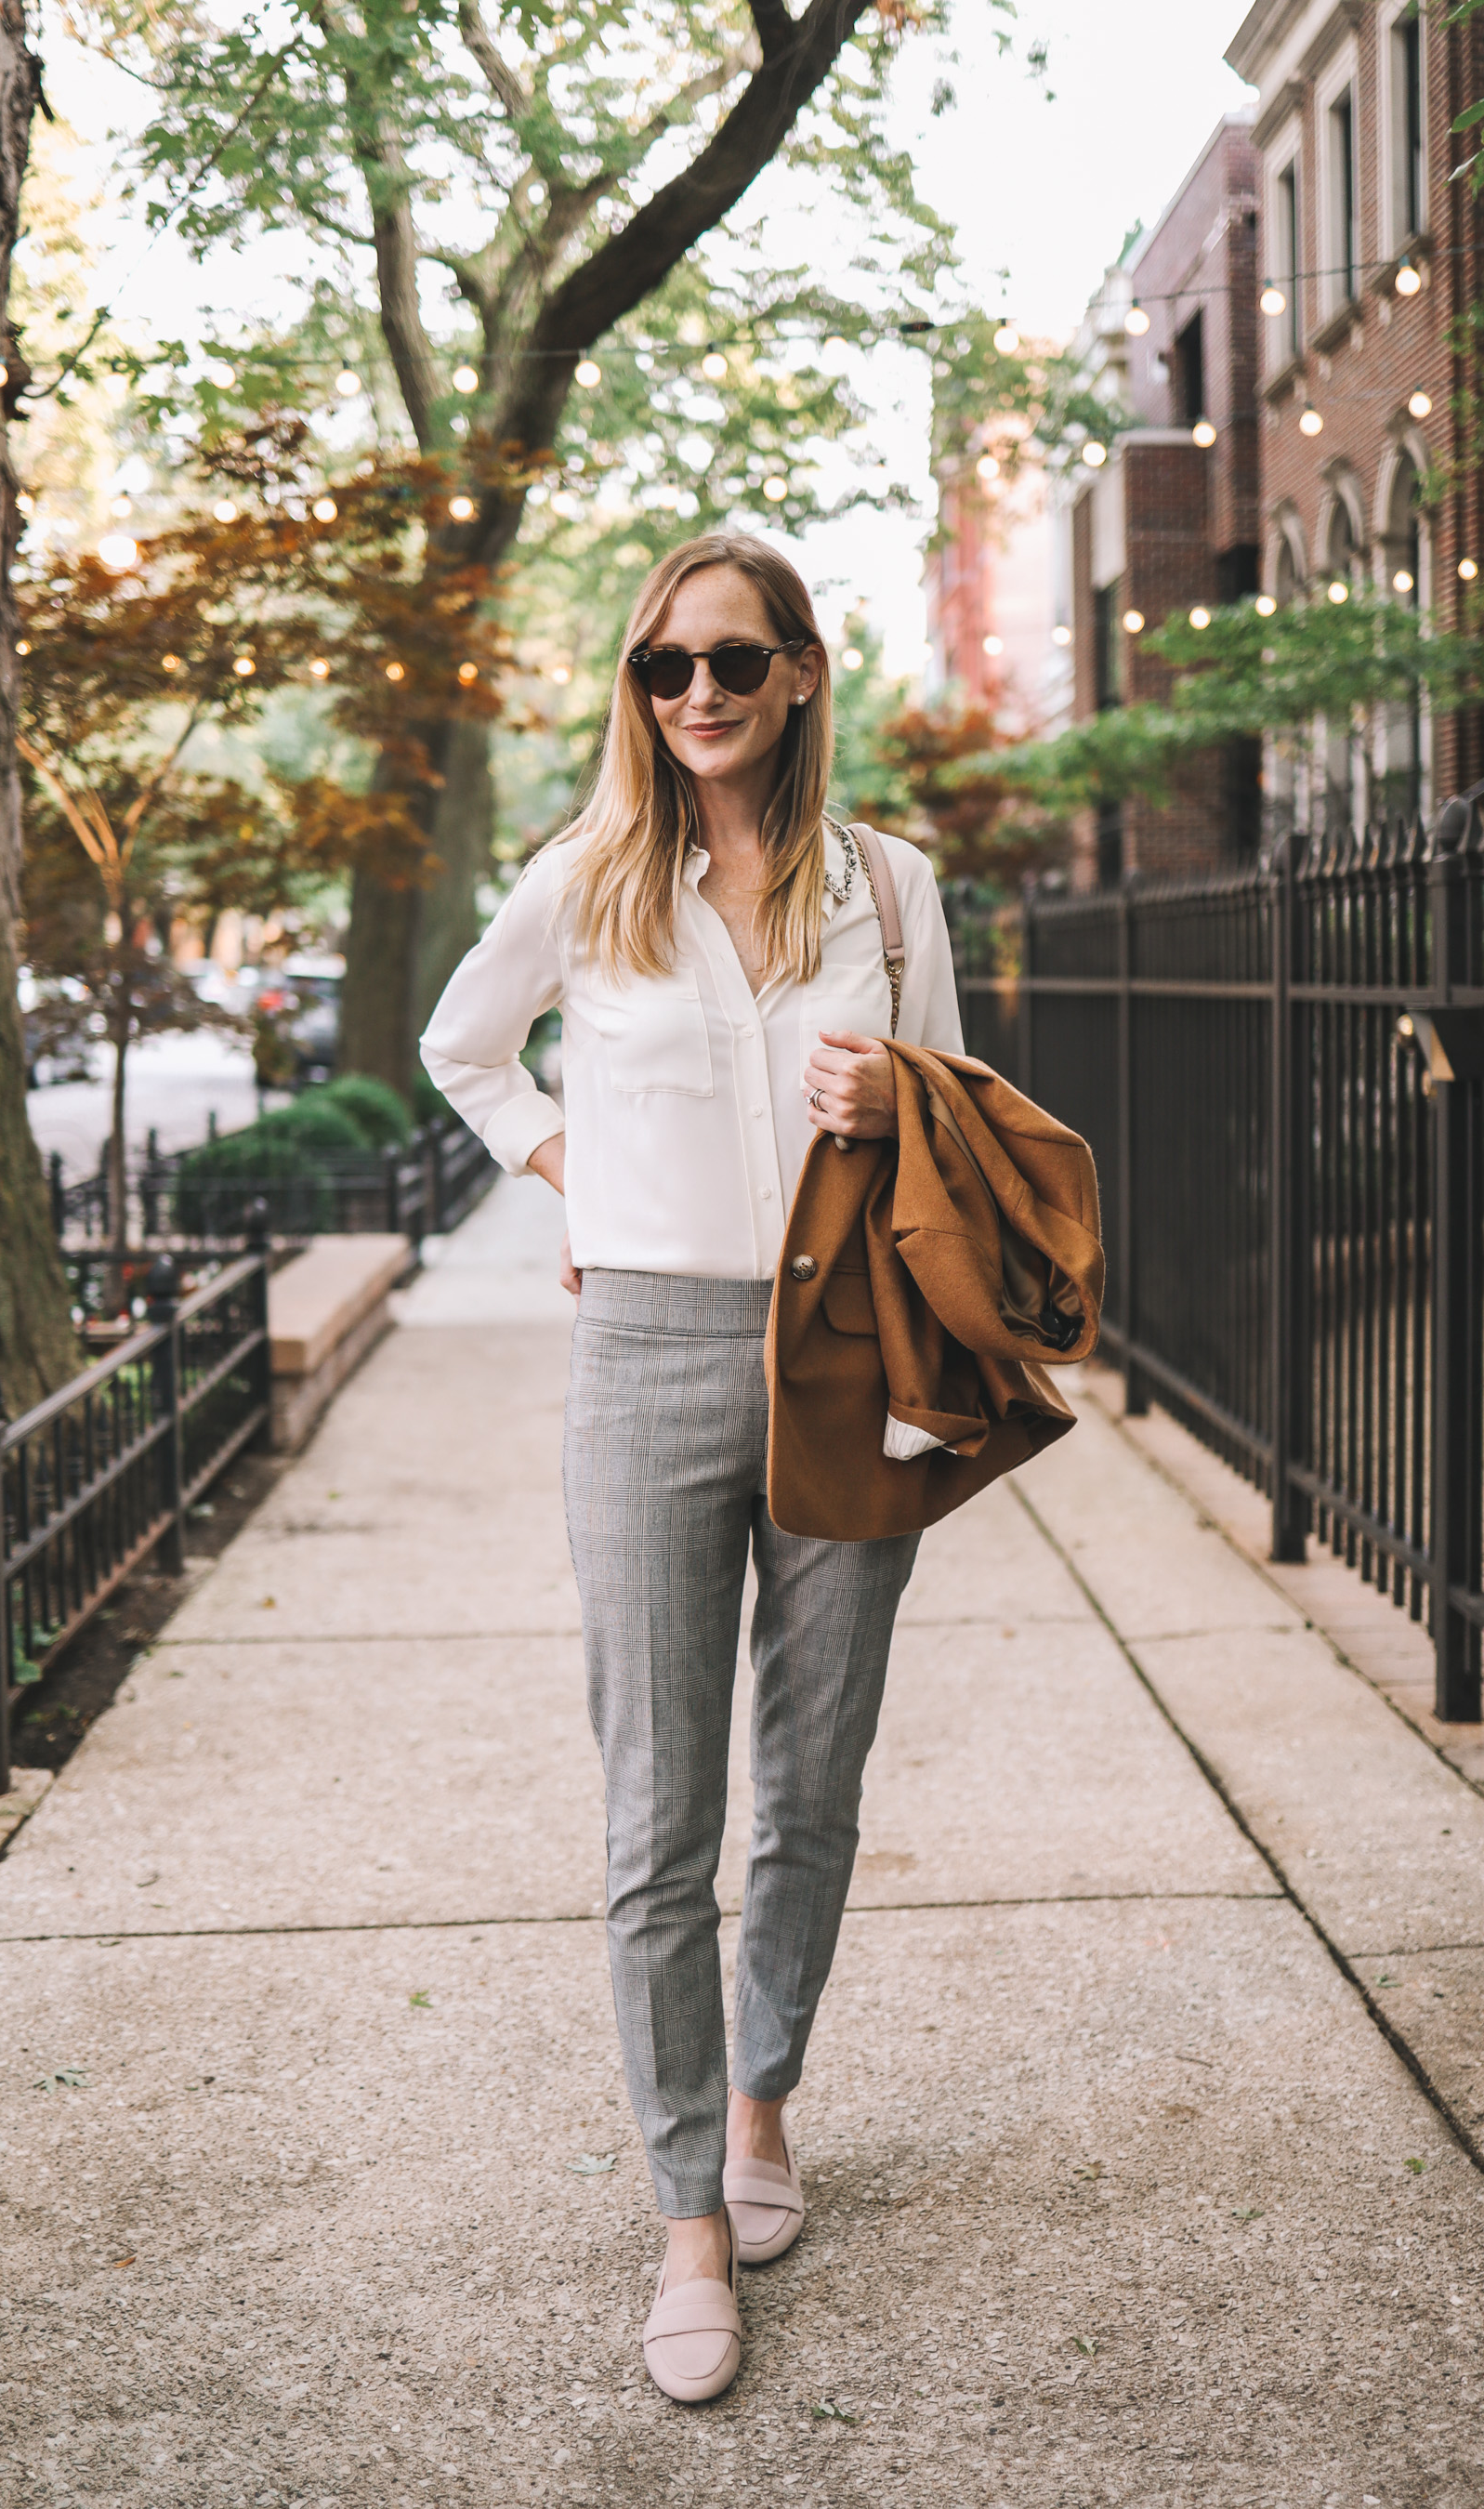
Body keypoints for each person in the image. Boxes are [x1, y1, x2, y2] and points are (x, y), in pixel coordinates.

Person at [420, 532, 964, 2403]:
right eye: (665, 666)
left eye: (735, 658)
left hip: (844, 1355)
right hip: (645, 1355)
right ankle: (682, 2216)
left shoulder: (889, 885)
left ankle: (761, 2107)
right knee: (659, 1815)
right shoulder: (590, 882)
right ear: (637, 691)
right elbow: (465, 1052)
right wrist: (581, 1176)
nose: (700, 694)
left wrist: (898, 1098)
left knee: (813, 1780)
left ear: (804, 671)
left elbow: (955, 1113)